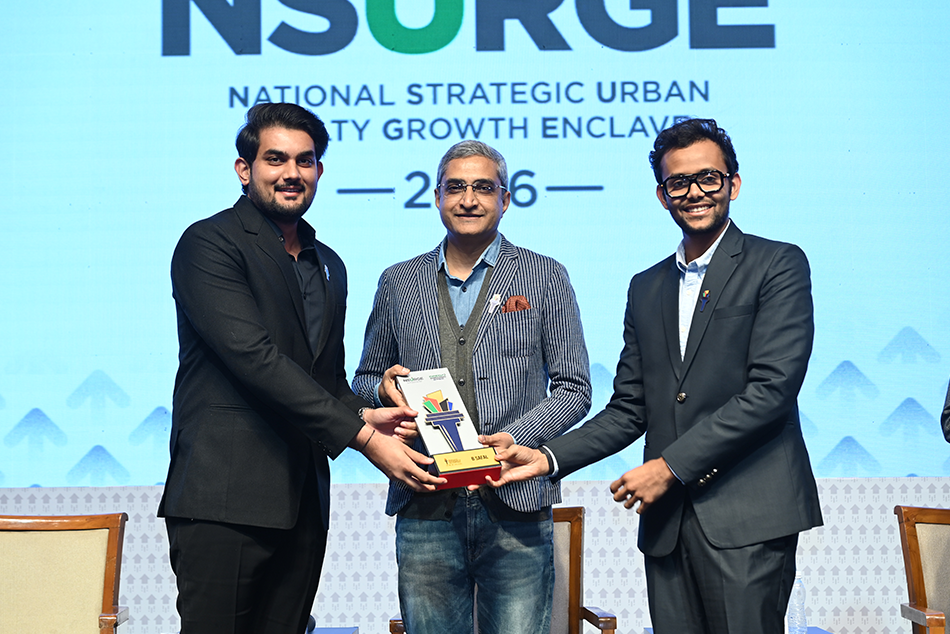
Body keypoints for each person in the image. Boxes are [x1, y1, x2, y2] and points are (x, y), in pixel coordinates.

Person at [480, 118, 823, 633]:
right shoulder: (646, 286)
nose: (694, 192)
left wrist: (670, 467)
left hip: (749, 516)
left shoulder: (777, 264)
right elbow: (629, 408)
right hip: (668, 525)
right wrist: (547, 457)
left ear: (733, 183)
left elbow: (771, 391)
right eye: (678, 182)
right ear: (663, 196)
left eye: (708, 177)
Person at [157, 102, 443, 634]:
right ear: (244, 169)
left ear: (318, 170)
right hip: (224, 500)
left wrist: (369, 412)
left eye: (304, 161)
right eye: (275, 159)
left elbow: (325, 379)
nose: (291, 173)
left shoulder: (328, 263)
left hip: (303, 501)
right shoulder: (209, 243)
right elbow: (255, 359)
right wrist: (362, 437)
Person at [353, 140, 591, 634]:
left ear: (505, 199)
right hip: (425, 499)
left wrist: (516, 441)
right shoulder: (398, 281)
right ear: (436, 197)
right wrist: (382, 389)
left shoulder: (546, 276)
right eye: (455, 187)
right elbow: (361, 382)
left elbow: (574, 388)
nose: (468, 199)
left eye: (483, 187)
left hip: (516, 499)